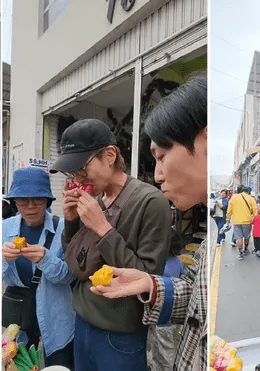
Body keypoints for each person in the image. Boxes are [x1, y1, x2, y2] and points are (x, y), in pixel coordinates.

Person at [90, 72, 208, 370]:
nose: (157, 175)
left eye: (162, 156)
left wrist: (103, 229)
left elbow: (148, 263)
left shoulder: (149, 200)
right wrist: (152, 287)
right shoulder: (91, 202)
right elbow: (196, 300)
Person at [49, 118, 172, 371]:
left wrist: (103, 228)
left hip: (119, 335)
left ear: (109, 155)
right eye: (72, 173)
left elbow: (147, 279)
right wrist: (71, 221)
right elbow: (75, 263)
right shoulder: (96, 199)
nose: (78, 178)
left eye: (82, 168)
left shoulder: (151, 202)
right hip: (82, 321)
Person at [2, 167, 75, 369]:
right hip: (20, 322)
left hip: (56, 319)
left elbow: (69, 276)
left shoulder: (63, 229)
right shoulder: (6, 228)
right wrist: (6, 260)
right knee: (20, 365)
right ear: (15, 202)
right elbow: (3, 277)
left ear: (48, 201)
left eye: (38, 200)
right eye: (23, 201)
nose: (30, 207)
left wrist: (45, 258)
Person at [146, 236, 185, 371]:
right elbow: (182, 278)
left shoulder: (158, 265)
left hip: (162, 312)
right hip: (177, 310)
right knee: (172, 342)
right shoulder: (178, 262)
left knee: (161, 346)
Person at [226, 185, 257, 260]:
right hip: (247, 221)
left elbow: (229, 209)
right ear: (248, 192)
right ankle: (246, 249)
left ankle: (240, 253)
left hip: (237, 221)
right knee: (246, 236)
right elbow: (255, 210)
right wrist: (255, 219)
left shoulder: (234, 197)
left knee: (239, 237)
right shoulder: (251, 198)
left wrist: (228, 219)